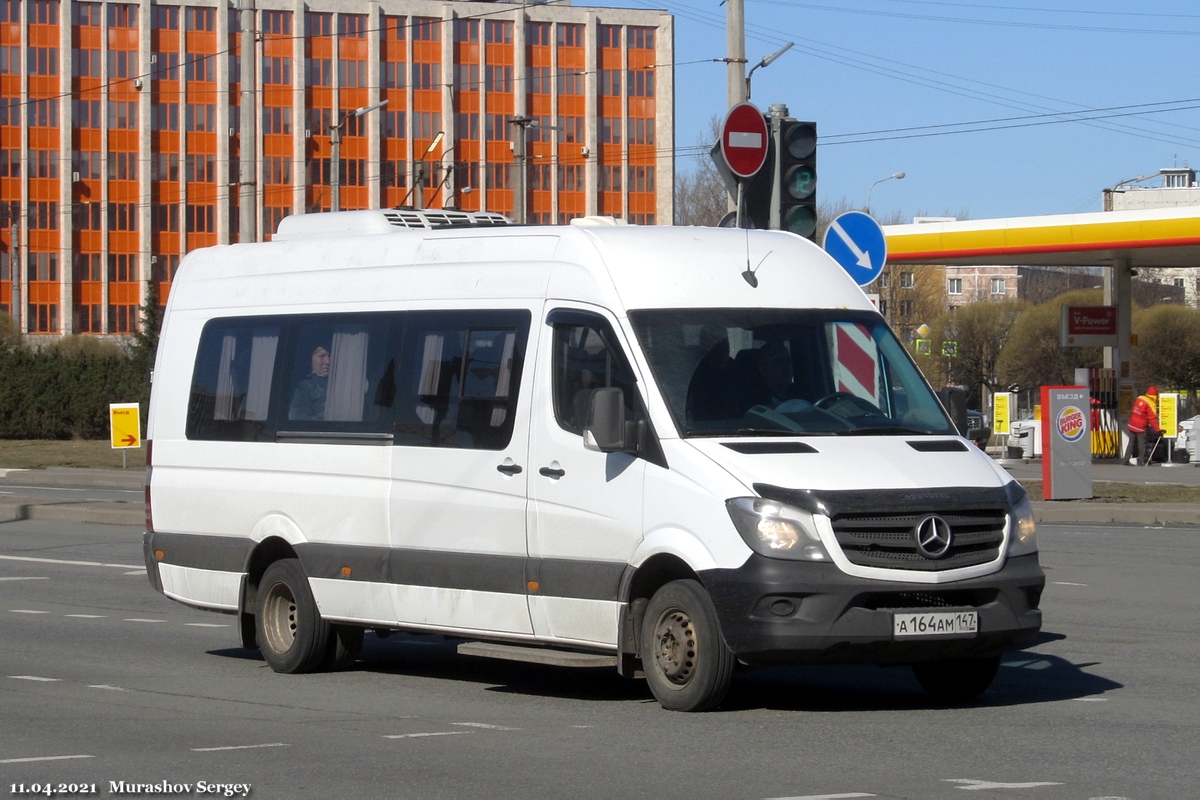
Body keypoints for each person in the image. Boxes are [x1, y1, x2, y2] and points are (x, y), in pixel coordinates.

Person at [289, 343, 331, 420]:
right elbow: (299, 417)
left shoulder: (344, 383)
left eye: (330, 356)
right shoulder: (305, 386)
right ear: (311, 359)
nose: (327, 362)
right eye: (321, 356)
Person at [1125, 384, 1162, 466]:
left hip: (1132, 424)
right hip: (1140, 427)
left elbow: (1133, 410)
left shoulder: (1139, 398)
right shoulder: (1151, 403)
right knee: (1141, 443)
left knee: (1131, 442)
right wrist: (1158, 430)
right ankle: (1140, 460)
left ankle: (1126, 459)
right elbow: (1152, 418)